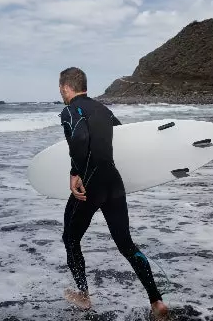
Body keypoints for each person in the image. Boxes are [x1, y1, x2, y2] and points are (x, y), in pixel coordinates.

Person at [57, 67, 169, 319]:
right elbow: (123, 140)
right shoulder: (104, 110)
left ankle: (83, 296)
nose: (61, 94)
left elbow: (79, 138)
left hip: (90, 185)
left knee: (70, 239)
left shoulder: (70, 110)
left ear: (66, 87)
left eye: (61, 89)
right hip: (113, 183)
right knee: (127, 245)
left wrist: (75, 173)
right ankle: (156, 301)